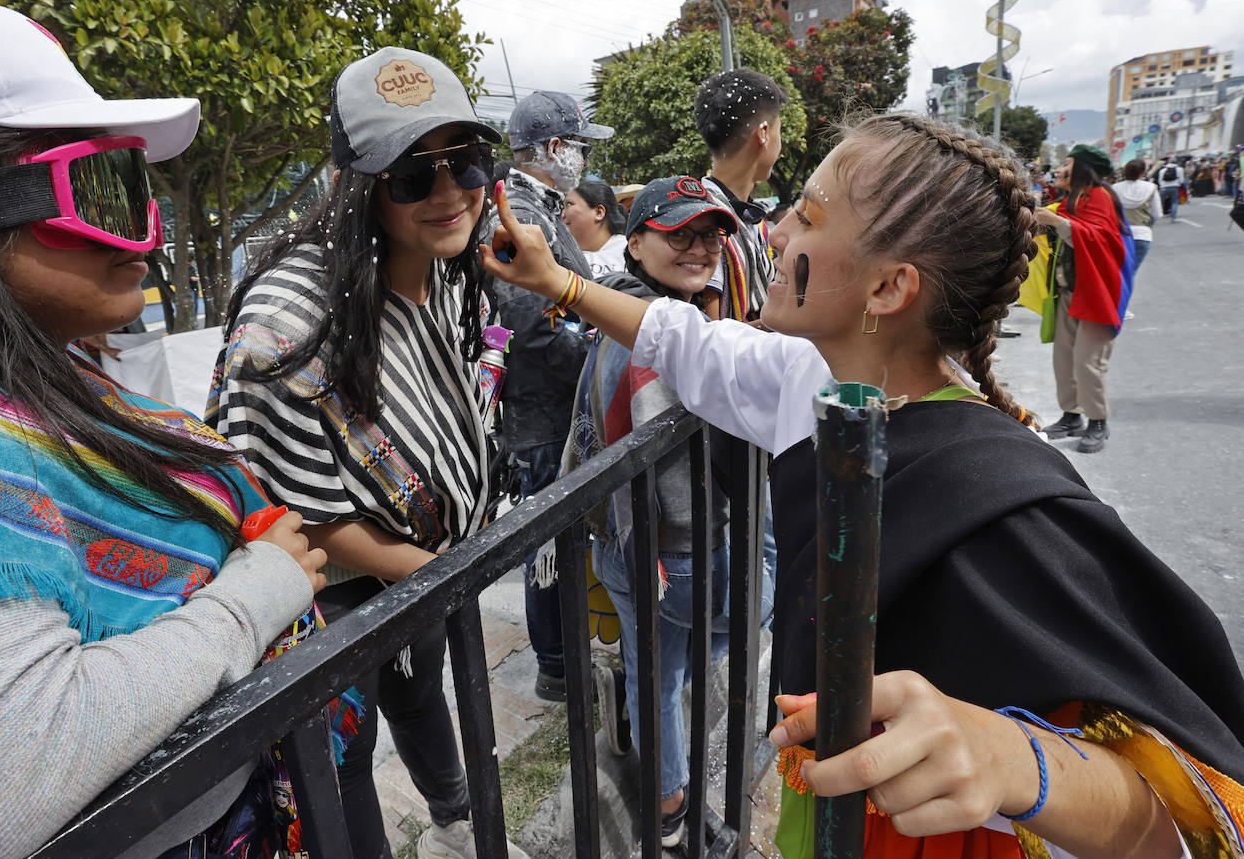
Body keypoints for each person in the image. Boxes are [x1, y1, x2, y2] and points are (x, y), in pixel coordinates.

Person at [482, 112, 1244, 858]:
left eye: (807, 217)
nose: (774, 233)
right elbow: (685, 343)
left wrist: (1016, 761)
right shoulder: (809, 379)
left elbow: (1184, 819)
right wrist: (559, 283)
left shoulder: (995, 498)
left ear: (888, 289)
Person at [0, 3, 329, 859]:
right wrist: (255, 595)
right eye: (101, 190)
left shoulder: (22, 369)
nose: (145, 236)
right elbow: (2, 781)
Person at [209, 47, 527, 859]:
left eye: (466, 160)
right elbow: (282, 504)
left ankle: (455, 822)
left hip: (423, 571)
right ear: (361, 187)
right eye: (412, 176)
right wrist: (432, 571)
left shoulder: (449, 267)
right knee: (341, 768)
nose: (450, 191)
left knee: (421, 695)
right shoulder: (291, 319)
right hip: (338, 602)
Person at [567, 177, 774, 848]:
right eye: (678, 232)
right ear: (635, 244)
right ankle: (673, 808)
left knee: (664, 670)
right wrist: (760, 553)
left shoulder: (631, 314)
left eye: (710, 233)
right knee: (744, 616)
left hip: (628, 551)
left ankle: (667, 801)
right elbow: (684, 488)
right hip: (675, 558)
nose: (700, 246)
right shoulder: (654, 343)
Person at [484, 90, 612, 703]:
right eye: (580, 146)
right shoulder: (519, 213)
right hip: (541, 418)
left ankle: (563, 654)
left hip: (554, 412)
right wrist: (600, 356)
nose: (584, 160)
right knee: (550, 548)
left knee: (563, 541)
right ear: (554, 147)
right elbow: (532, 328)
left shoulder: (541, 209)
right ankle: (557, 665)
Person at [1036, 145, 1135, 453]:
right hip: (1069, 291)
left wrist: (1055, 223)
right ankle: (1071, 416)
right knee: (1064, 359)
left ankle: (1098, 421)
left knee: (1087, 362)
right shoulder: (1071, 200)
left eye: (1067, 164)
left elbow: (1098, 239)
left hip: (1095, 295)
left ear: (1082, 170)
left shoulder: (1099, 197)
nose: (1060, 170)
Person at [692, 68, 789, 322]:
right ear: (764, 133)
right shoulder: (707, 218)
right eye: (780, 129)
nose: (781, 142)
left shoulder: (749, 217)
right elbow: (714, 337)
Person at [562, 180, 627, 277]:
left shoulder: (630, 250)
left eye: (569, 204)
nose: (562, 215)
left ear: (599, 212)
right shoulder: (558, 254)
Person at [1111, 158, 1162, 276]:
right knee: (1130, 273)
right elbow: (1157, 214)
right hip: (1142, 235)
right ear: (1143, 172)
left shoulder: (1114, 188)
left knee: (1118, 273)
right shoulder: (1151, 188)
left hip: (1120, 234)